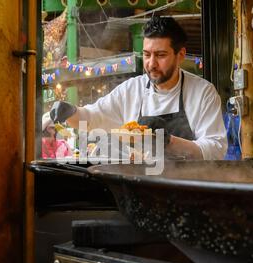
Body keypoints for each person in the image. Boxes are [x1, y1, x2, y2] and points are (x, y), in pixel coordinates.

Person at [50, 16, 227, 160]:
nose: (151, 64)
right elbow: (92, 118)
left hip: (186, 186)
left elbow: (216, 148)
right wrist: (70, 112)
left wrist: (168, 141)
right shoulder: (131, 90)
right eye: (147, 54)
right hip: (140, 184)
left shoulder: (203, 92)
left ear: (180, 55)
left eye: (161, 55)